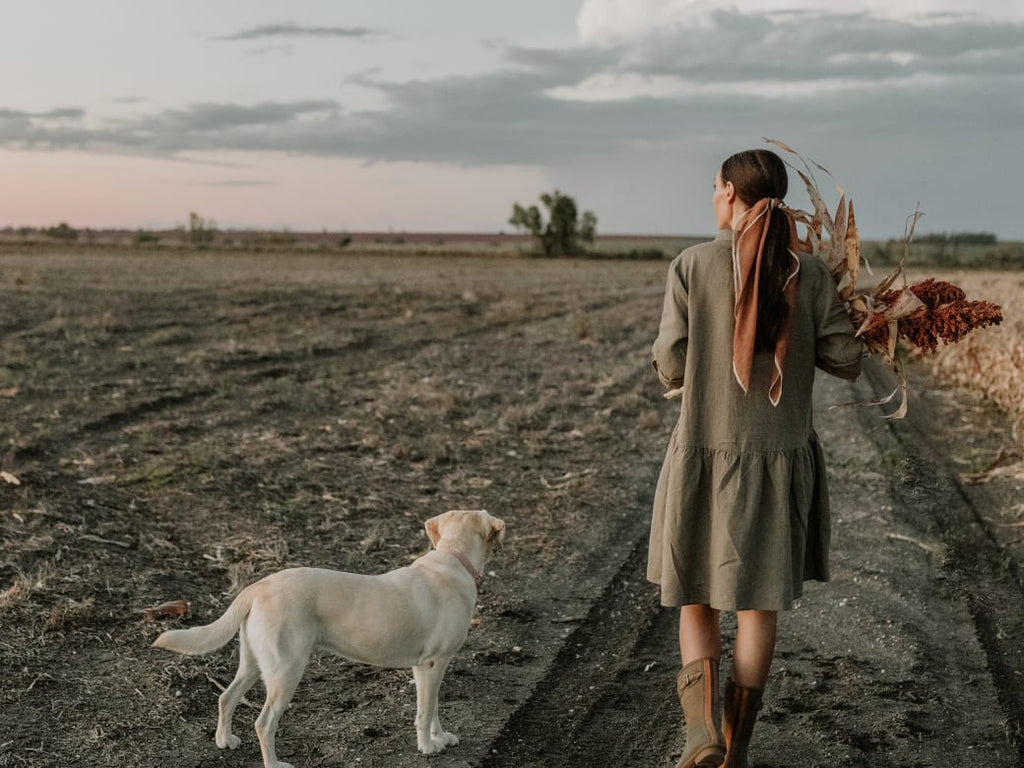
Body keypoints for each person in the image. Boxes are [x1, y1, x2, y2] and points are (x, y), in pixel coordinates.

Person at [647, 148, 864, 768]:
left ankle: (700, 737)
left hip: (702, 461)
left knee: (696, 598)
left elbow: (671, 362)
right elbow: (847, 362)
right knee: (756, 606)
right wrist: (862, 311)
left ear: (733, 196)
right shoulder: (812, 273)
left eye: (715, 187)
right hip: (777, 463)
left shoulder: (692, 265)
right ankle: (736, 748)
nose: (712, 197)